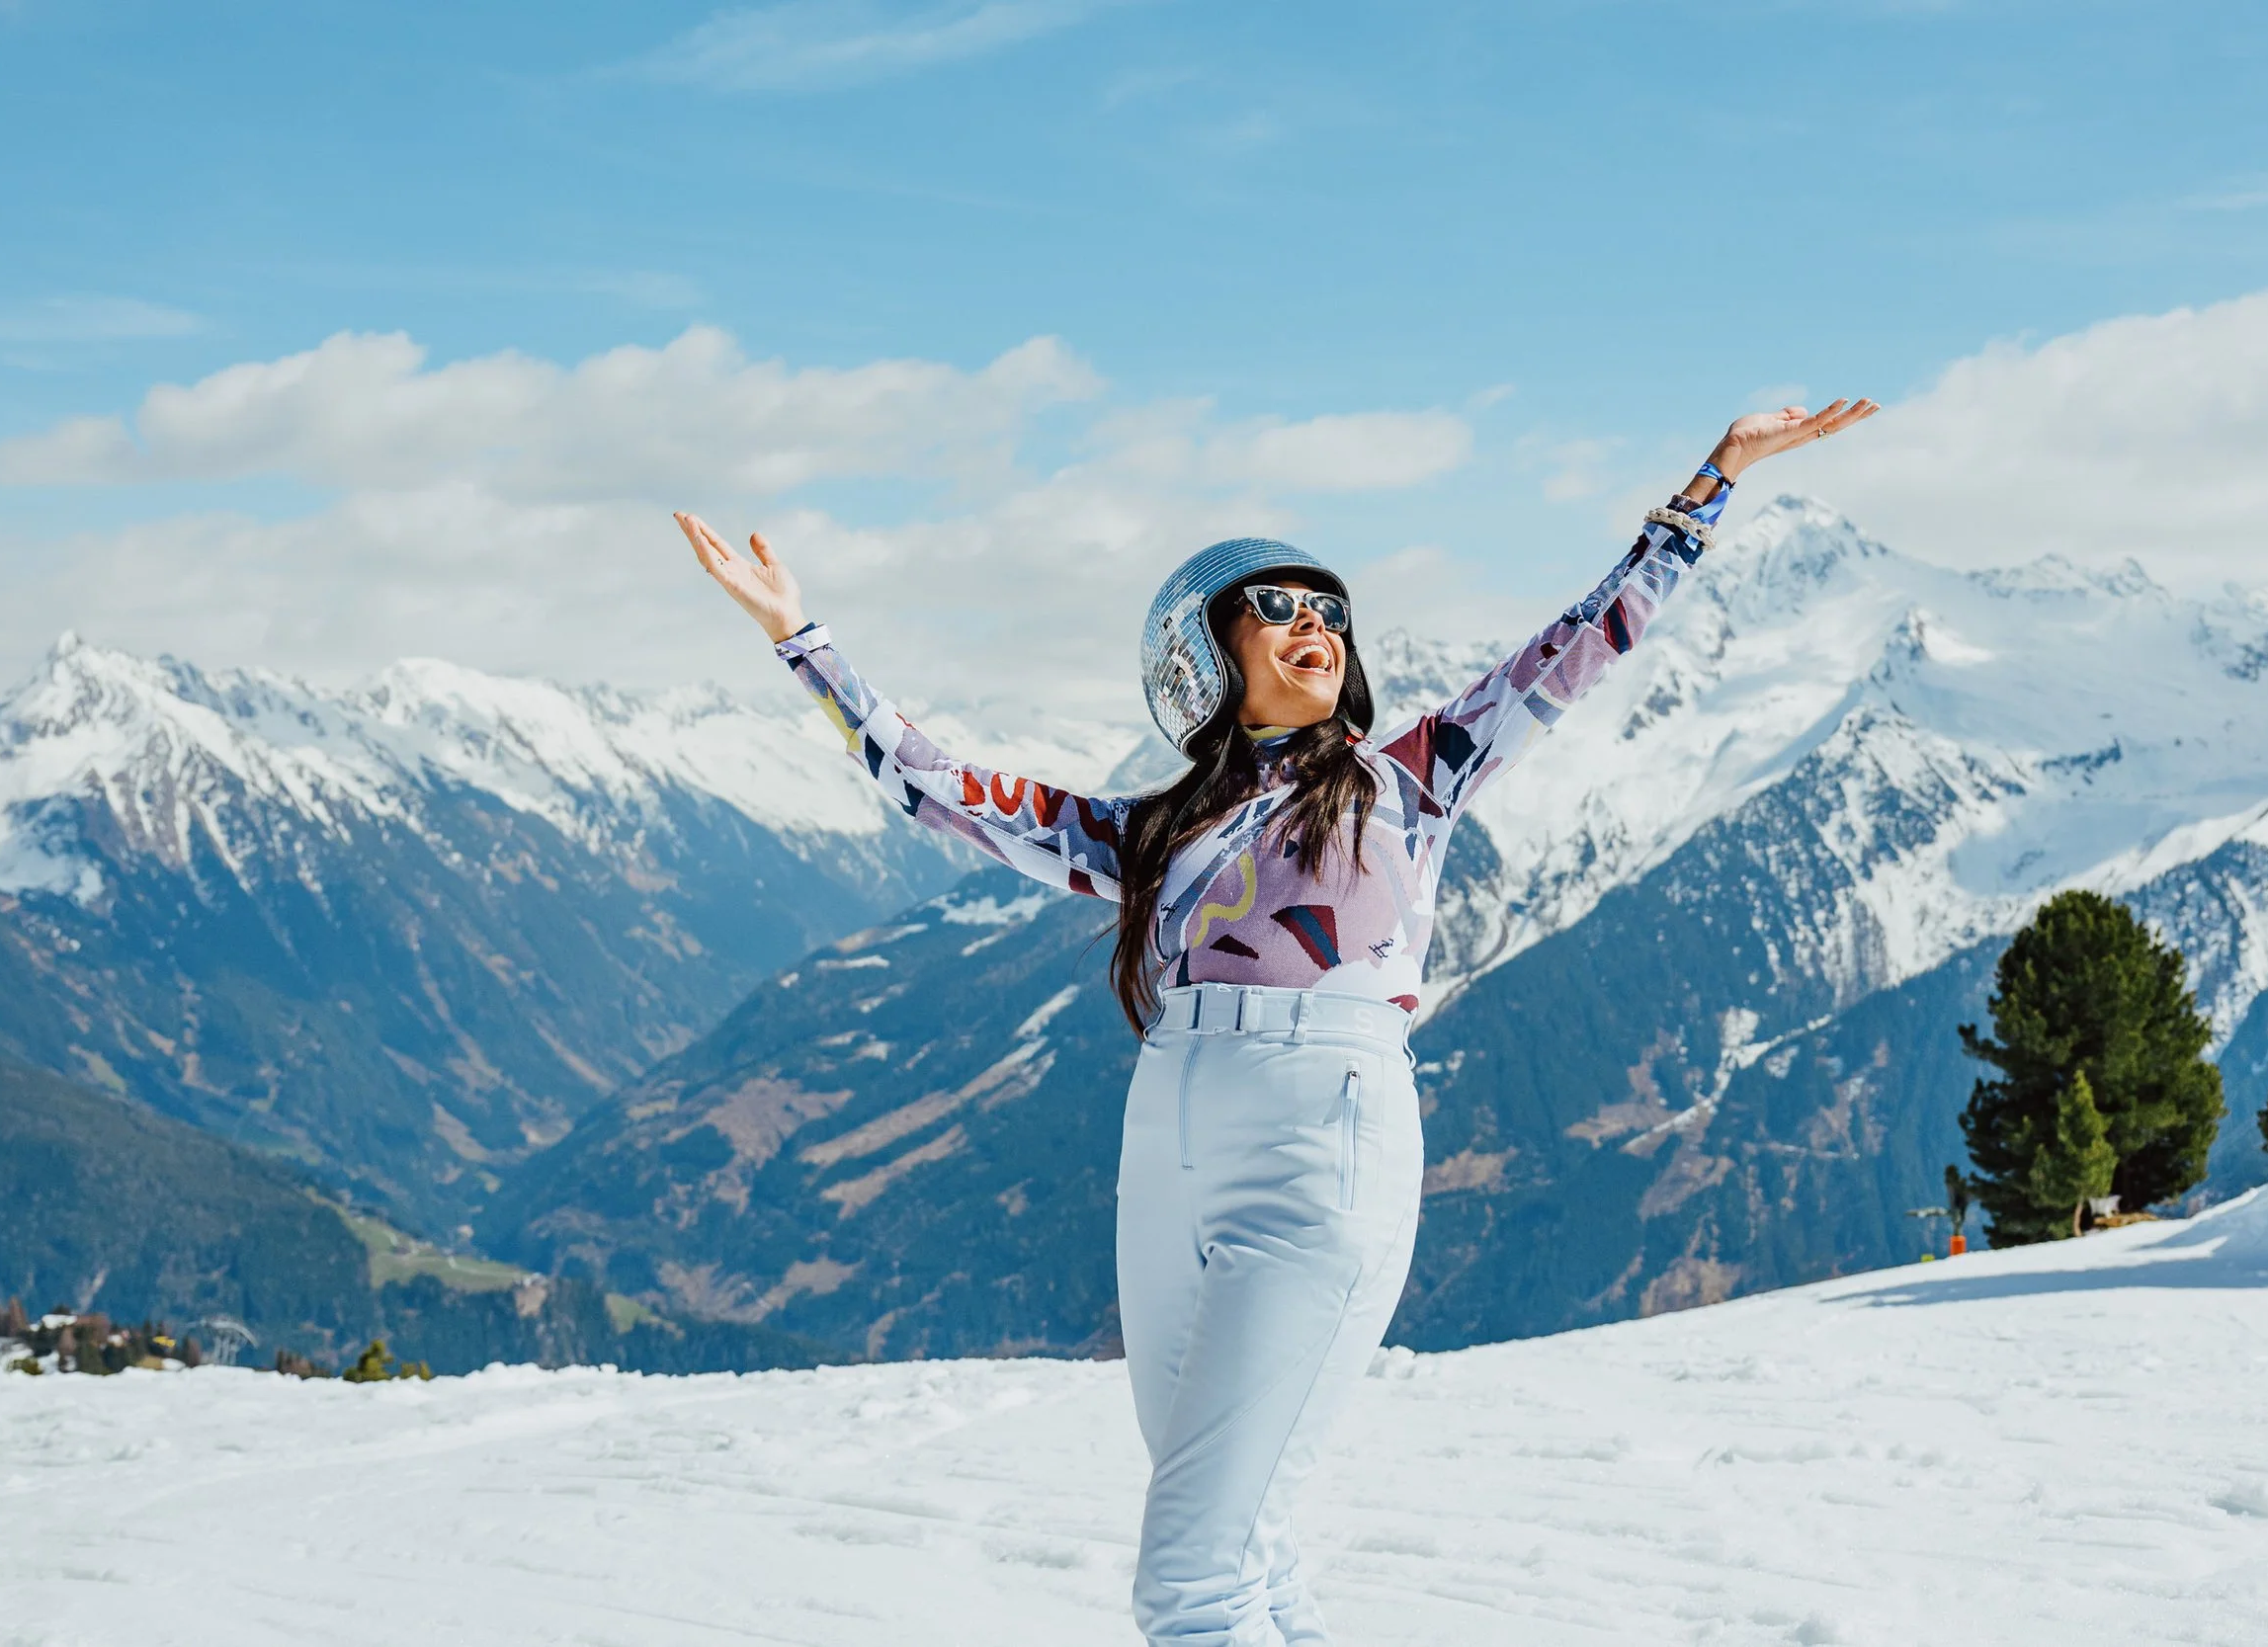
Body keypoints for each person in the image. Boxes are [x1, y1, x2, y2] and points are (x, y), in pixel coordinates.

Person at [675, 395, 1878, 1646]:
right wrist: (798, 639)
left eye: (1329, 611)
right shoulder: (1150, 834)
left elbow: (1579, 643)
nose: (1318, 624)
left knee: (1188, 1577)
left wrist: (1711, 483)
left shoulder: (1411, 776)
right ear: (1204, 649)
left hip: (1324, 1140)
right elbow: (945, 794)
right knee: (1240, 1541)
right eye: (1280, 606)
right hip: (1167, 1152)